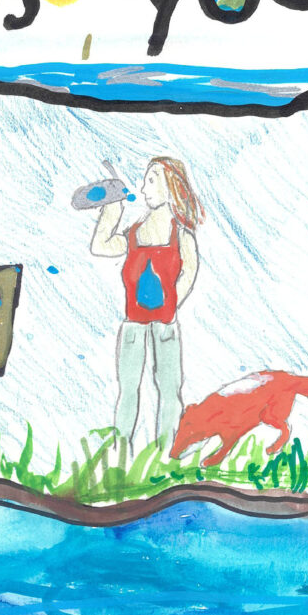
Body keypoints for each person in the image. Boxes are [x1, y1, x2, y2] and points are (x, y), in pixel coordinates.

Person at [88, 154, 205, 449]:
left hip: (165, 325)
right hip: (133, 326)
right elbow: (100, 245)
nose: (143, 187)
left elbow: (188, 272)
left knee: (169, 390)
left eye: (151, 180)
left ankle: (166, 454)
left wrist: (171, 304)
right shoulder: (134, 234)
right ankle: (121, 454)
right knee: (128, 390)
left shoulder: (182, 236)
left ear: (171, 187)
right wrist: (111, 210)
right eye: (144, 180)